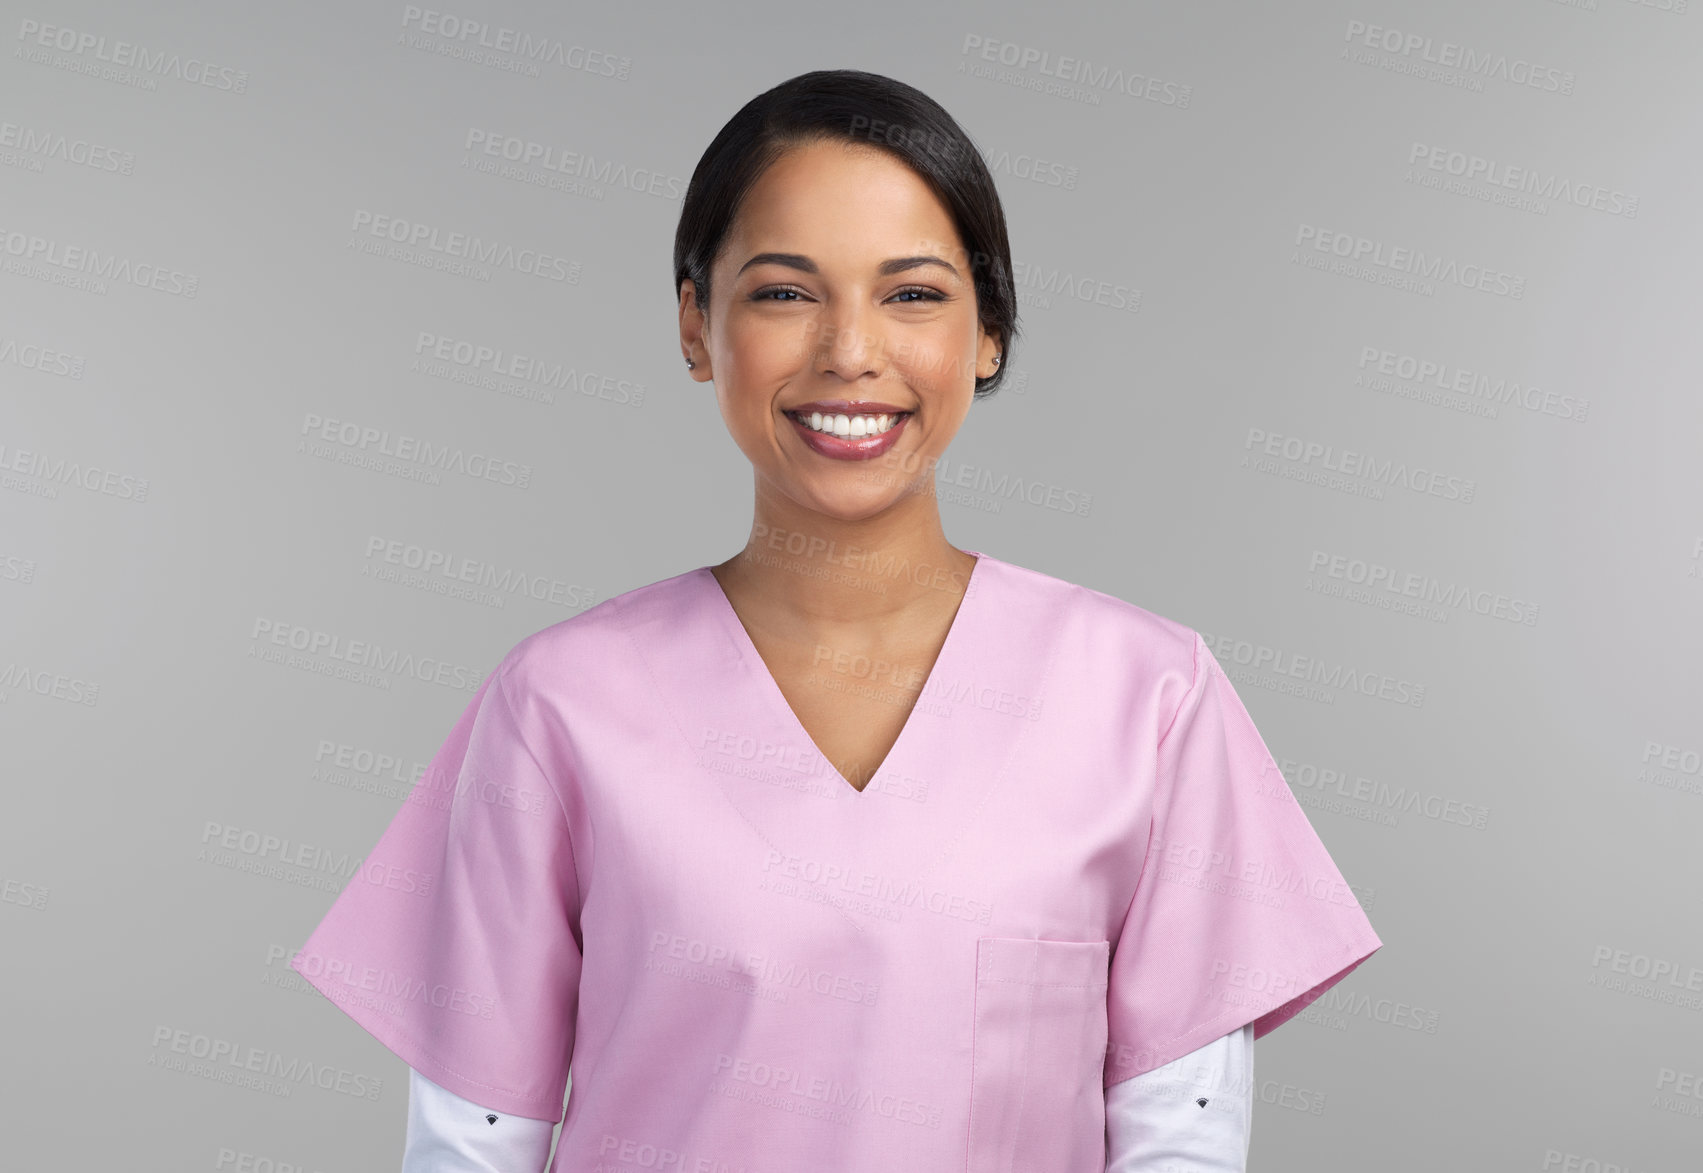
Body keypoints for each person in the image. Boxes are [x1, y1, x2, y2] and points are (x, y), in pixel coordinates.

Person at [290, 69, 1381, 1172]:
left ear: (988, 332)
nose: (848, 351)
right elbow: (473, 1145)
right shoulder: (560, 705)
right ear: (694, 326)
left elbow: (1176, 1144)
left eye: (910, 294)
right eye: (782, 293)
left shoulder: (1147, 698)